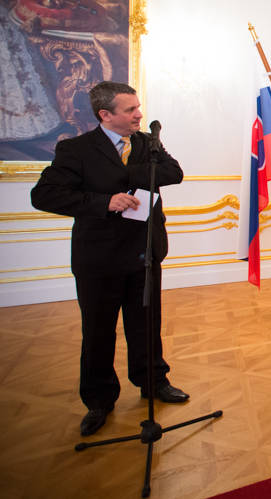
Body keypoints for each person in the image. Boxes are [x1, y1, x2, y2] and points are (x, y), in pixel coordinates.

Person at [30, 81, 188, 437]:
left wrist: (126, 175)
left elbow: (174, 173)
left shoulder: (146, 143)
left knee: (146, 325)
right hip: (99, 258)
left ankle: (153, 382)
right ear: (105, 114)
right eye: (130, 110)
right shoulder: (76, 149)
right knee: (98, 331)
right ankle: (99, 399)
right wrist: (105, 201)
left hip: (144, 251)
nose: (139, 115)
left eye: (138, 107)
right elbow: (43, 195)